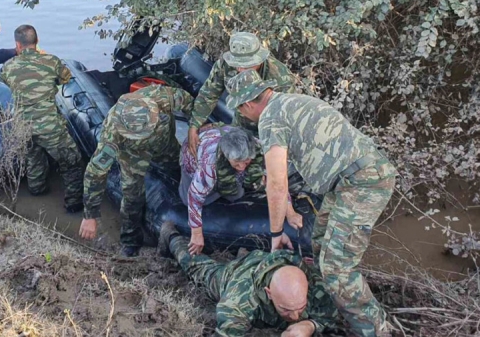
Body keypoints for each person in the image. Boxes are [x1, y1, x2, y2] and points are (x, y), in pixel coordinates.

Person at [225, 69, 398, 337]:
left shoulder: (269, 119)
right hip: (348, 180)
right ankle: (320, 303)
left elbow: (277, 183)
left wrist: (275, 233)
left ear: (247, 104)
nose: (243, 116)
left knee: (337, 269)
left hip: (361, 182)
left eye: (240, 110)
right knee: (319, 239)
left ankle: (378, 331)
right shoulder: (292, 101)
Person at [157, 221, 339, 337]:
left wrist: (309, 325)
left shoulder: (315, 285)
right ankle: (171, 237)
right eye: (286, 310)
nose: (294, 317)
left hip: (267, 263)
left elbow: (332, 317)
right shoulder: (239, 300)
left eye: (300, 308)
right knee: (199, 269)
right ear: (268, 293)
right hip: (234, 275)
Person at [79, 84, 194, 257]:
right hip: (133, 155)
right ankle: (130, 241)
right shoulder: (113, 132)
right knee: (132, 196)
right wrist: (90, 215)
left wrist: (195, 129)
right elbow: (95, 172)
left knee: (179, 172)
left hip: (165, 144)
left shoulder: (162, 96)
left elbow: (191, 105)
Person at [0, 25, 85, 212]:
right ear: (37, 42)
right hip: (49, 125)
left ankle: (37, 189)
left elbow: (3, 80)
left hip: (23, 124)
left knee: (33, 156)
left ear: (17, 45)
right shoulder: (51, 61)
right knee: (72, 161)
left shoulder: (8, 66)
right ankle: (73, 203)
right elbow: (66, 78)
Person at [179, 126, 302, 255]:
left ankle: (227, 184)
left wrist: (290, 211)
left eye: (246, 162)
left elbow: (276, 182)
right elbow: (194, 197)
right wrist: (196, 233)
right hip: (193, 158)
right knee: (192, 199)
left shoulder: (258, 147)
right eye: (237, 163)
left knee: (237, 194)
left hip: (224, 152)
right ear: (227, 157)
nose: (242, 167)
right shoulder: (209, 163)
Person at [187, 31, 299, 157]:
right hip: (240, 125)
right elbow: (209, 93)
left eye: (246, 66)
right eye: (237, 64)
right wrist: (194, 125)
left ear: (259, 60)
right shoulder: (226, 65)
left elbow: (286, 121)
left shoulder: (280, 77)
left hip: (270, 132)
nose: (240, 69)